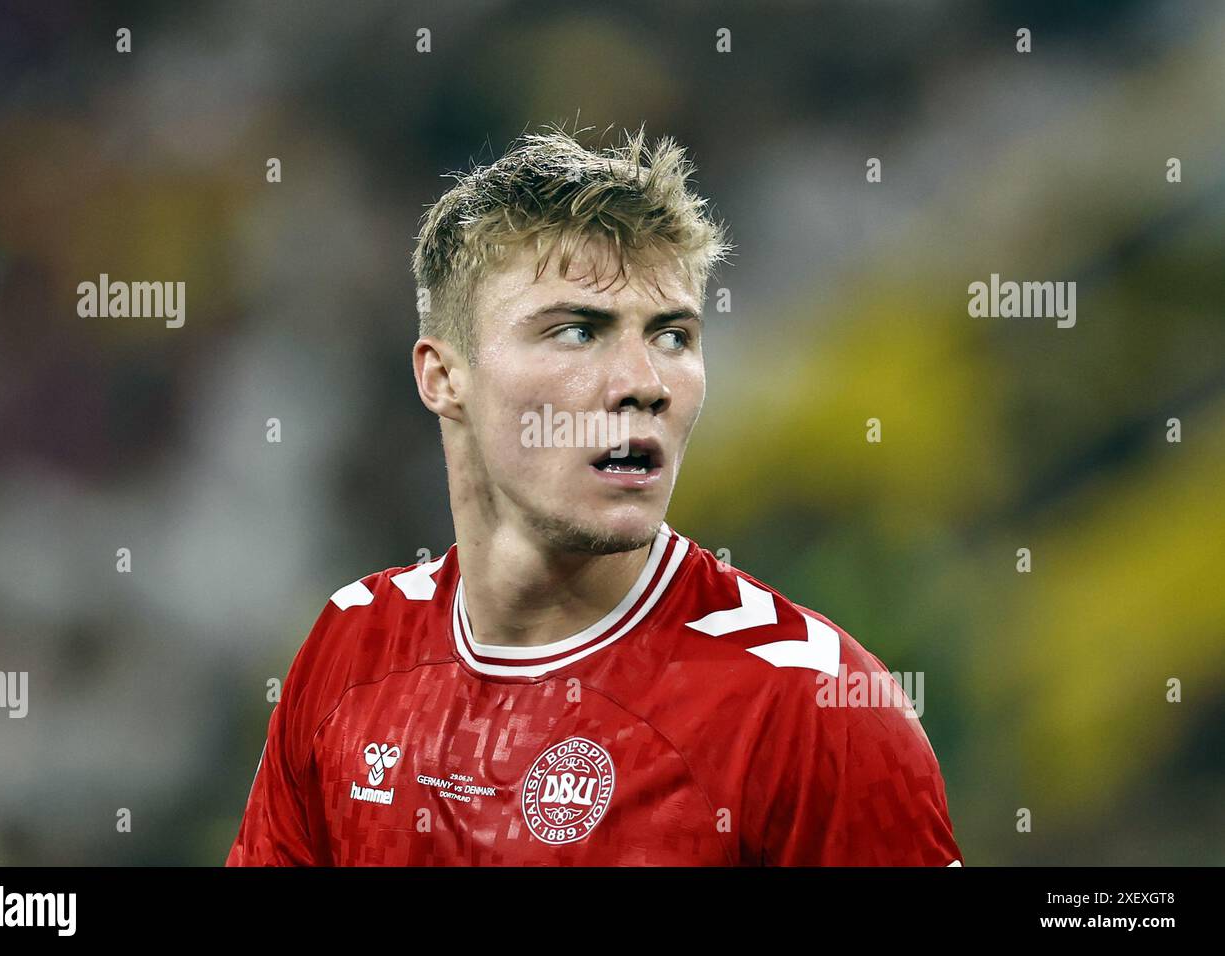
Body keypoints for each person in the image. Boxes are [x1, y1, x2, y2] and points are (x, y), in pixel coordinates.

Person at [226, 125, 962, 865]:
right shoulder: (352, 647)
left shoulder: (806, 706)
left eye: (672, 336)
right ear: (443, 377)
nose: (644, 382)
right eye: (579, 331)